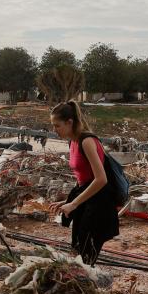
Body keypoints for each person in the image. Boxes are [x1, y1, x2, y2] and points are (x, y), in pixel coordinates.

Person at [49, 100, 119, 265]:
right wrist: (67, 201)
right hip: (86, 200)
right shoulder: (72, 142)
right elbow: (83, 178)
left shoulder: (86, 141)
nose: (54, 130)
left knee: (86, 256)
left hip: (99, 203)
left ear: (69, 122)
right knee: (79, 250)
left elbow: (101, 179)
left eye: (57, 125)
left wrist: (73, 204)